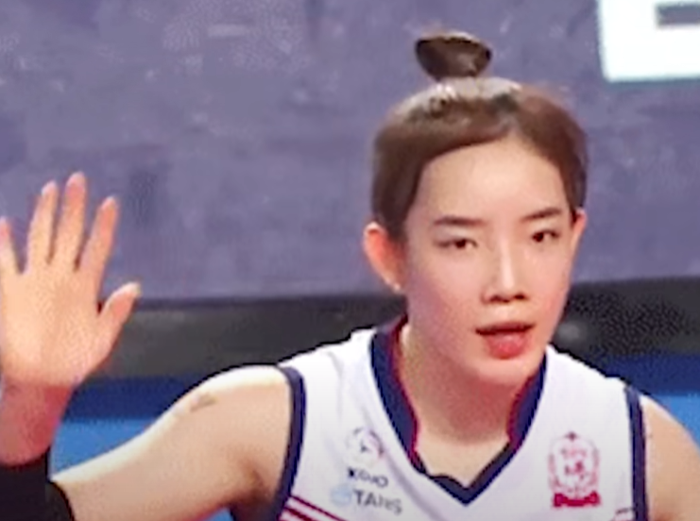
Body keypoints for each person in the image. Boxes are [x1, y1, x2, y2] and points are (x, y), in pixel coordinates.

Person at [0, 30, 699, 521]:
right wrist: (31, 408)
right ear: (388, 255)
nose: (508, 281)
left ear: (576, 237)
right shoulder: (278, 423)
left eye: (541, 236)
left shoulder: (639, 453)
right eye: (460, 242)